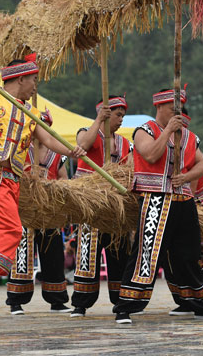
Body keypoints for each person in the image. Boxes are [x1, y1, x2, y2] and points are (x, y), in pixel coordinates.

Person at [0, 54, 85, 334]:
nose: (36, 85)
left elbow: (48, 139)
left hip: (11, 180)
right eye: (34, 79)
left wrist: (72, 150)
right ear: (21, 78)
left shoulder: (29, 111)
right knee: (12, 231)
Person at [112, 87, 203, 324]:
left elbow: (201, 165)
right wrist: (168, 132)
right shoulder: (144, 131)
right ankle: (126, 307)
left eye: (179, 108)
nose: (177, 112)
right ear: (159, 107)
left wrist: (186, 177)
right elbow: (151, 155)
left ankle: (200, 304)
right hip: (155, 199)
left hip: (184, 200)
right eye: (172, 108)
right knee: (146, 253)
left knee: (188, 255)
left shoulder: (189, 135)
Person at [69, 94, 133, 318]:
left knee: (119, 254)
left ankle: (121, 302)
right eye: (117, 115)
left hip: (116, 210)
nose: (121, 119)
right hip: (92, 207)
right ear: (104, 114)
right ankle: (80, 304)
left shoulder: (125, 143)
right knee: (87, 253)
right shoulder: (87, 133)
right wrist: (98, 121)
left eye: (123, 115)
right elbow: (82, 146)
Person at [7, 110, 71, 315]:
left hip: (49, 213)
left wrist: (52, 187)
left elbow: (64, 180)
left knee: (53, 256)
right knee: (22, 257)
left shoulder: (56, 155)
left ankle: (57, 300)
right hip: (25, 211)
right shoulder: (21, 151)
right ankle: (16, 301)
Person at [167, 109, 203, 316]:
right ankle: (186, 299)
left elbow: (193, 176)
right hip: (178, 203)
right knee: (175, 257)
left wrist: (187, 206)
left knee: (190, 255)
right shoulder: (167, 138)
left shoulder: (190, 141)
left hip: (192, 204)